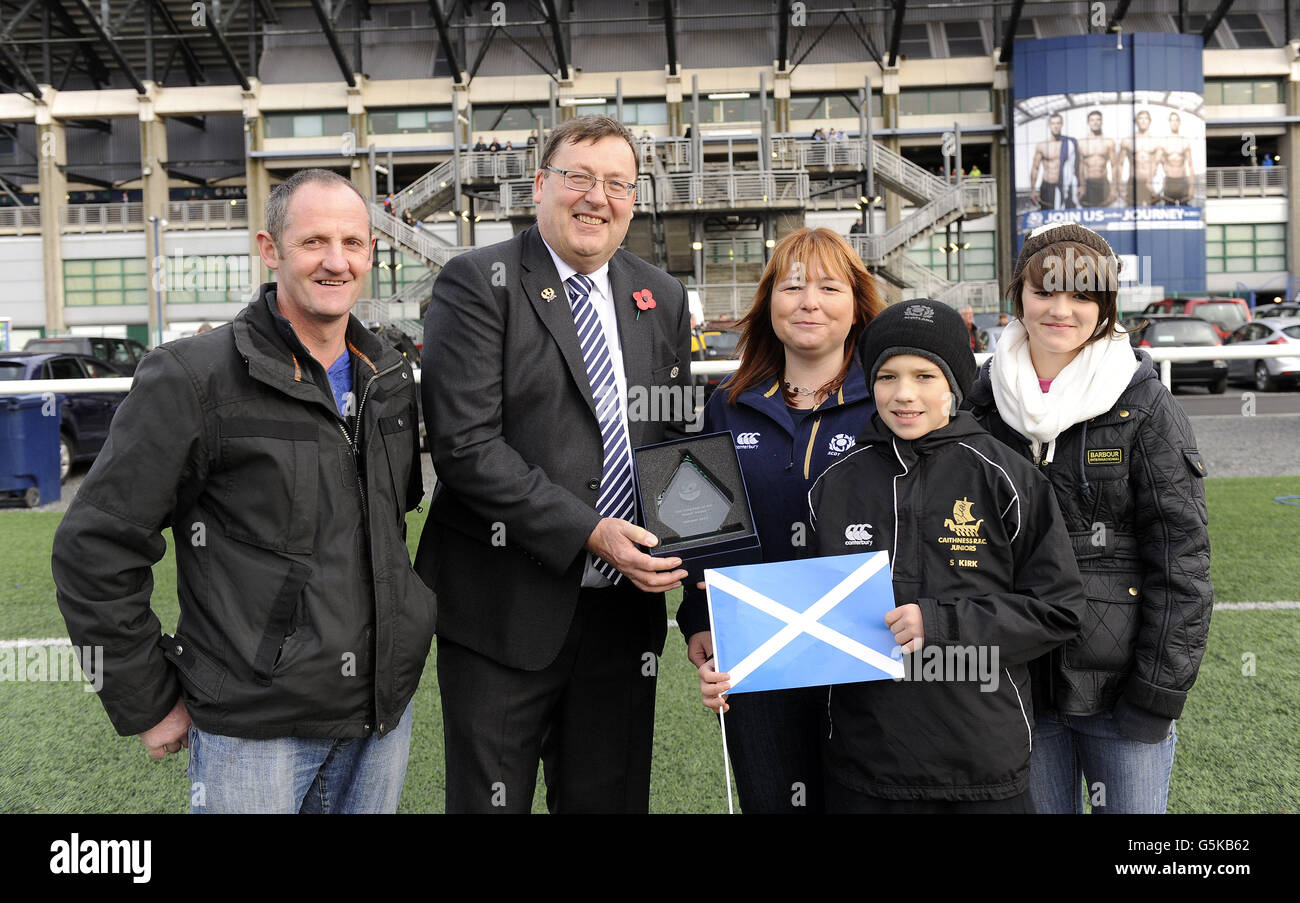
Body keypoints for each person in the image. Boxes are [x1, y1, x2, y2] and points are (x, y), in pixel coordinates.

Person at [52, 169, 434, 813]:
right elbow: (94, 548)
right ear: (269, 249)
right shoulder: (191, 379)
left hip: (379, 718)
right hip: (253, 733)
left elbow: (386, 530)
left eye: (353, 242)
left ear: (372, 251)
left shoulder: (388, 376)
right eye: (314, 242)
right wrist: (146, 700)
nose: (336, 261)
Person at [416, 115, 693, 814]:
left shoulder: (660, 294)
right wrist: (591, 531)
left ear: (634, 199)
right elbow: (465, 447)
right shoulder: (478, 281)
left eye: (618, 183)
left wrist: (697, 541)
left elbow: (675, 438)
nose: (597, 197)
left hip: (623, 616)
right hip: (502, 609)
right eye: (579, 177)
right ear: (540, 185)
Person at [711, 298, 1083, 812]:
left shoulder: (1007, 477)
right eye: (887, 377)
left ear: (954, 384)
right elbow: (806, 621)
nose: (904, 394)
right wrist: (738, 667)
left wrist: (942, 623)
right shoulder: (834, 484)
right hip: (865, 766)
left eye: (925, 376)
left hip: (982, 762)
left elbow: (1058, 609)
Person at [966, 222, 1213, 813]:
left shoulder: (1143, 401)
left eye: (1082, 294)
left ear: (1106, 306)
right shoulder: (980, 399)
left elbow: (1183, 560)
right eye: (1045, 290)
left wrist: (1157, 691)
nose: (1061, 309)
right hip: (1018, 689)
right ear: (1017, 294)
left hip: (1121, 699)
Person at [682, 228, 883, 813]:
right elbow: (705, 527)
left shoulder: (892, 400)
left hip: (869, 649)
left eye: (828, 286)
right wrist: (698, 618)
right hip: (758, 649)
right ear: (769, 302)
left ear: (857, 305)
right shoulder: (728, 402)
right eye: (792, 286)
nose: (809, 301)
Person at [1030, 112, 1079, 210]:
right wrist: (1032, 190)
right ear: (1049, 125)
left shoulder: (1069, 144)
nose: (1056, 126)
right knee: (1048, 219)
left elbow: (1077, 166)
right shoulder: (1042, 146)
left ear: (1062, 124)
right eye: (1053, 123)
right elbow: (1035, 168)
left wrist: (1080, 185)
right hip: (1047, 185)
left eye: (1058, 123)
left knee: (1067, 218)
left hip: (1064, 186)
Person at [1079, 110, 1118, 206]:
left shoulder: (1109, 142)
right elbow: (1080, 167)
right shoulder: (1081, 143)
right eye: (1092, 120)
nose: (1095, 122)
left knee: (1105, 215)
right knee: (1087, 217)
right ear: (1088, 122)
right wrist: (1081, 185)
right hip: (1088, 184)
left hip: (1103, 183)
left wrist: (1114, 189)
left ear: (1102, 121)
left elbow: (1114, 166)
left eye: (1098, 120)